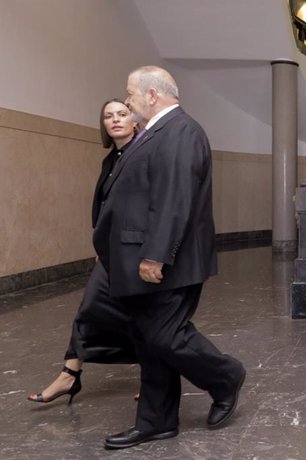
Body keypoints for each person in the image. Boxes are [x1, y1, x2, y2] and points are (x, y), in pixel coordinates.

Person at [96, 66, 246, 450]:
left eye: (130, 94)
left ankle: (225, 376)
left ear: (151, 95)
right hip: (139, 258)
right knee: (149, 341)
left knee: (165, 335)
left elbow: (173, 200)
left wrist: (156, 255)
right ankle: (157, 421)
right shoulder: (156, 132)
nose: (126, 102)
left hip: (165, 261)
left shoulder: (180, 131)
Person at [28, 99, 139, 405]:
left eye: (122, 113)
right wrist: (101, 247)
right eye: (108, 116)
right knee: (92, 307)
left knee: (140, 314)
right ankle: (70, 373)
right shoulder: (111, 159)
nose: (115, 120)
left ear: (134, 119)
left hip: (134, 251)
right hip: (110, 252)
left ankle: (155, 374)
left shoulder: (141, 154)